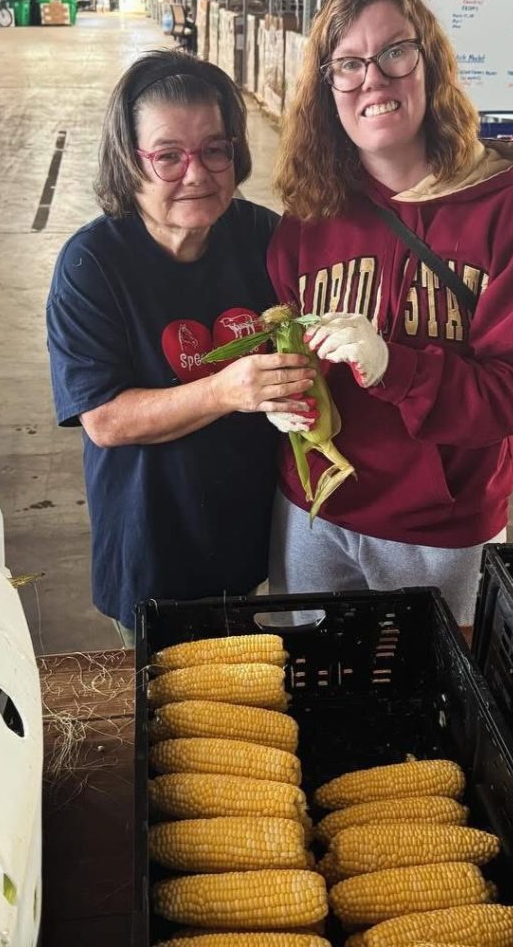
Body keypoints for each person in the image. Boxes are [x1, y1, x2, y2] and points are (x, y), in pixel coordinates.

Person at [266, 0, 513, 632]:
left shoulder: (509, 213)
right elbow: (289, 342)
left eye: (394, 52)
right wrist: (281, 395)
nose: (373, 79)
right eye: (348, 64)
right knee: (310, 676)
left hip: (440, 526)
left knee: (432, 684)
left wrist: (396, 367)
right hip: (314, 511)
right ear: (327, 88)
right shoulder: (307, 215)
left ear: (430, 65)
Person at [46, 49, 314, 646]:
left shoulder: (262, 237)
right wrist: (226, 390)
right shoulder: (93, 264)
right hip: (152, 552)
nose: (197, 175)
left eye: (215, 150)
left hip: (250, 542)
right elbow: (105, 420)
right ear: (129, 161)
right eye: (168, 156)